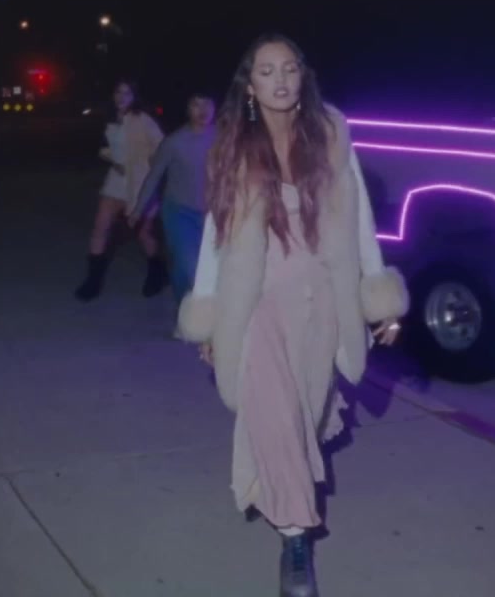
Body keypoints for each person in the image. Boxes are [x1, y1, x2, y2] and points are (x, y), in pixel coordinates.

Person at [176, 34, 407, 596]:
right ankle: (296, 540)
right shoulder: (235, 146)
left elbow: (359, 219)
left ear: (303, 76)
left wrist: (377, 297)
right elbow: (216, 235)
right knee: (274, 417)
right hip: (257, 304)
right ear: (249, 85)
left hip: (319, 301)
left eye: (288, 69)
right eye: (266, 71)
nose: (279, 80)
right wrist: (210, 314)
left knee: (303, 413)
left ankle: (287, 506)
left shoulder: (330, 134)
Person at [74, 79, 169, 302]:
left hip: (139, 183)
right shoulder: (110, 117)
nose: (122, 97)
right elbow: (106, 146)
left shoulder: (142, 119)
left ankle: (157, 272)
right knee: (100, 228)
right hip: (115, 181)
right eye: (118, 92)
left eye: (127, 93)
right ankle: (93, 281)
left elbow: (161, 146)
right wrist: (111, 159)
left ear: (134, 96)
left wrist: (151, 169)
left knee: (143, 233)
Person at [128, 94, 217, 314]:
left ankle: (190, 308)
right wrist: (138, 210)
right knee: (190, 266)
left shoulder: (224, 138)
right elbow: (154, 176)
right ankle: (186, 313)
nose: (202, 110)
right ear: (187, 109)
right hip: (179, 212)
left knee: (203, 270)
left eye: (207, 103)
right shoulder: (174, 142)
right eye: (196, 104)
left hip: (212, 215)